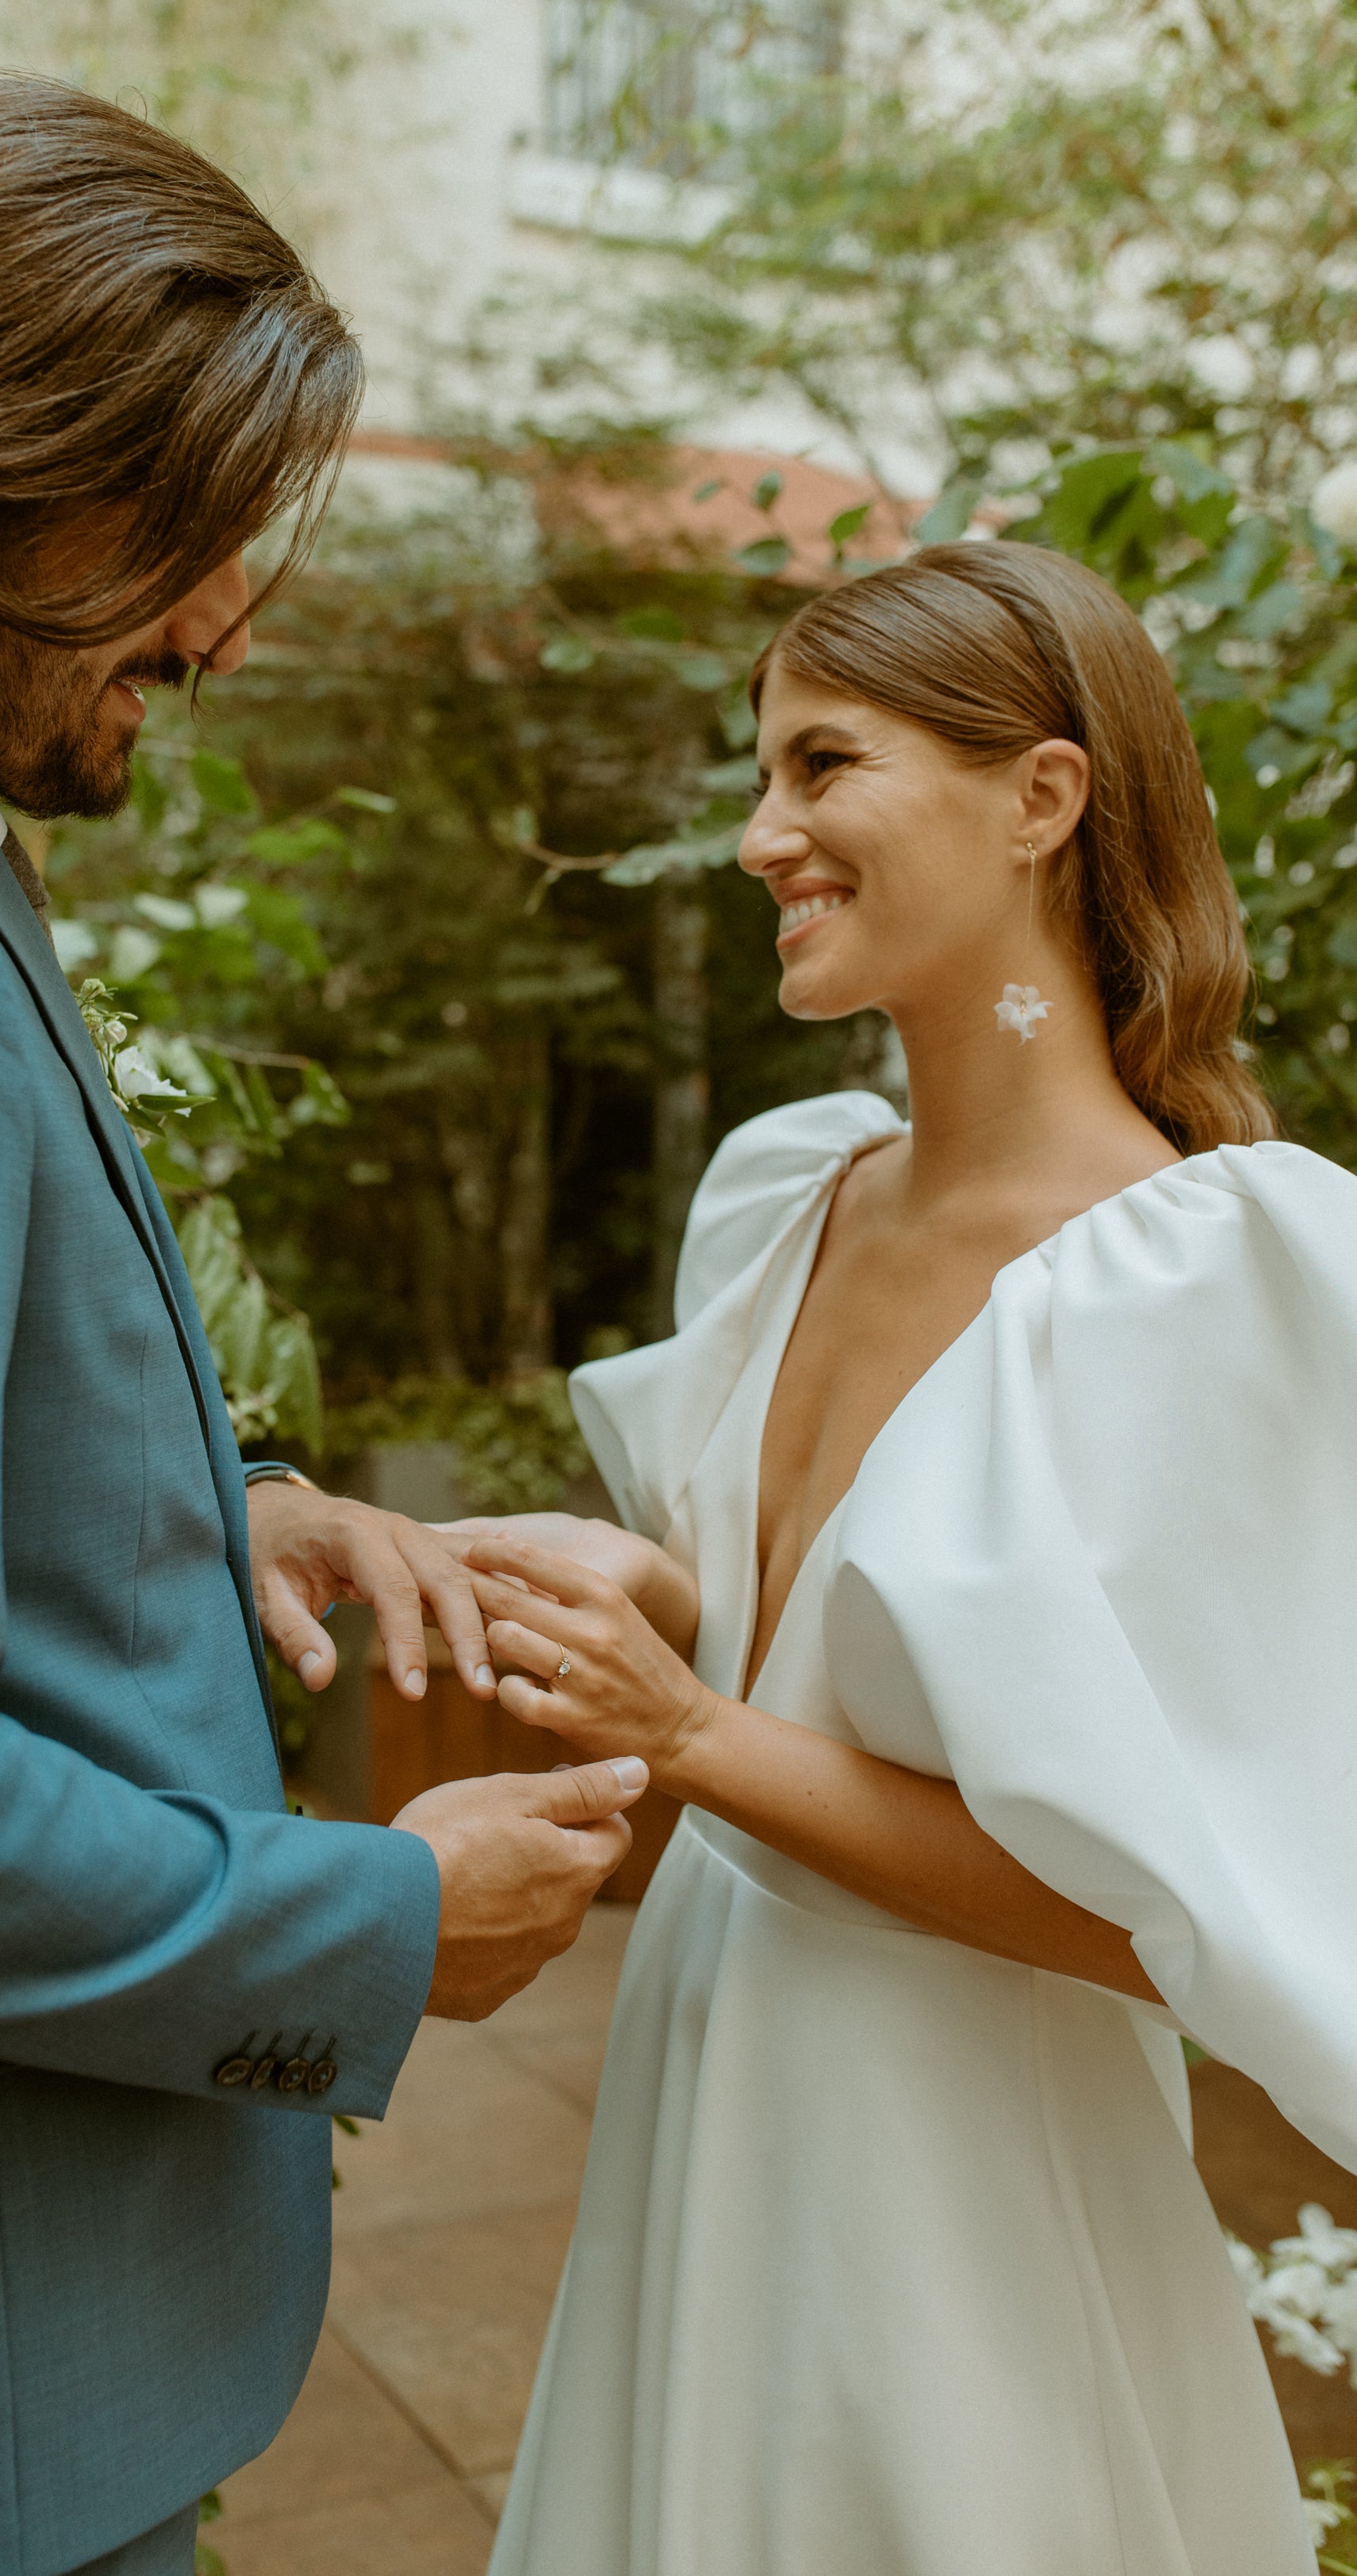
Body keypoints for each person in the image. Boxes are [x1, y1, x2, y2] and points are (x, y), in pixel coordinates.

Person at [0, 75, 647, 2576]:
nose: (227, 629)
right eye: (198, 537)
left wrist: (220, 1509)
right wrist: (386, 1922)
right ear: (5, 478)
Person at [447, 542, 1357, 2574]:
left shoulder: (1212, 1281)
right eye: (761, 772)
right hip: (707, 2084)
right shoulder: (789, 1199)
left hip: (959, 2197)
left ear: (1043, 797)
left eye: (824, 765)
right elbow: (825, 1658)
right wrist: (637, 1603)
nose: (759, 836)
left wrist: (689, 1733)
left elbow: (1163, 1922)